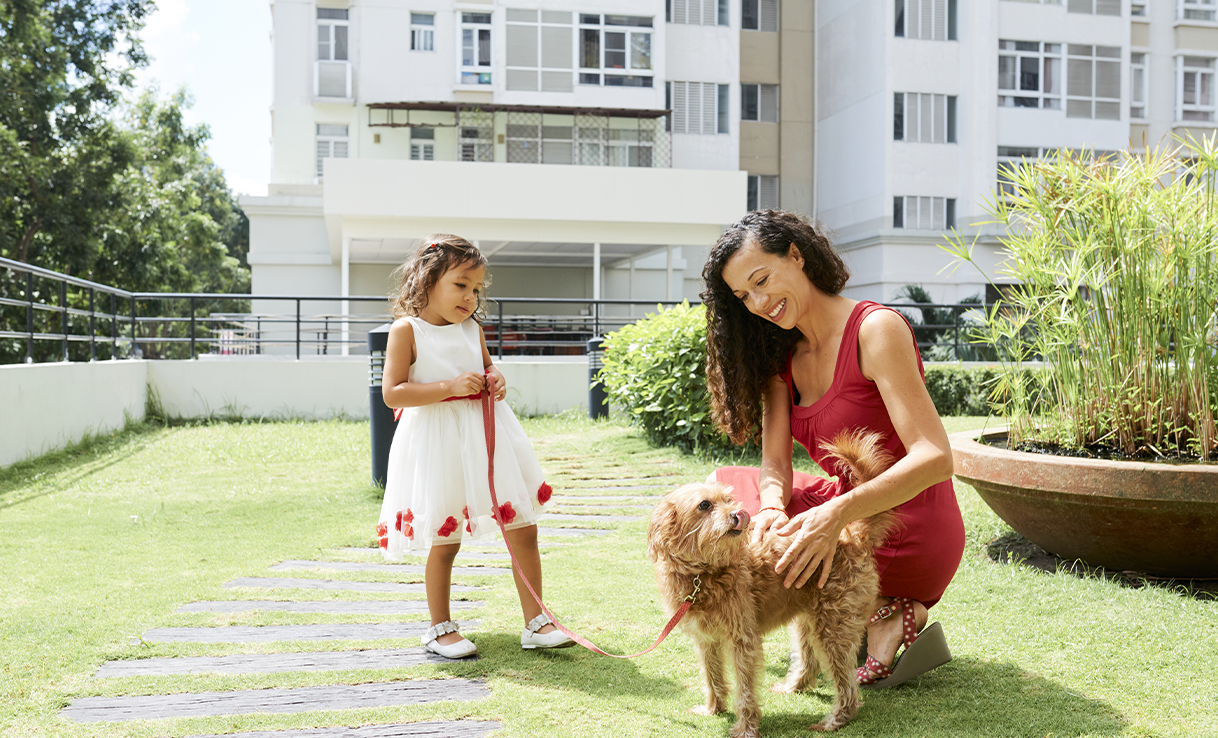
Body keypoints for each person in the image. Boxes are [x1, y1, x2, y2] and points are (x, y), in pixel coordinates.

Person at [700, 210, 965, 688]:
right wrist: (772, 509)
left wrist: (835, 516)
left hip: (905, 523)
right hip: (846, 510)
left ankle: (879, 609)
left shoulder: (876, 330)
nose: (759, 302)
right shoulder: (781, 355)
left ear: (797, 256)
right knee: (731, 493)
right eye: (743, 296)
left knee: (758, 515)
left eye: (762, 280)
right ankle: (873, 614)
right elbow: (775, 464)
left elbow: (935, 457)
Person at [376, 234, 574, 658]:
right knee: (445, 539)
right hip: (440, 441)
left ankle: (536, 620)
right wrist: (447, 387)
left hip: (487, 437)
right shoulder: (406, 330)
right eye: (461, 285)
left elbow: (485, 367)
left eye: (476, 289)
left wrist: (495, 377)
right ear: (428, 280)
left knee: (523, 526)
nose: (470, 297)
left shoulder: (472, 329)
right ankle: (439, 627)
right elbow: (393, 393)